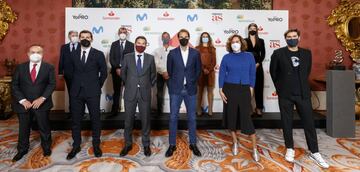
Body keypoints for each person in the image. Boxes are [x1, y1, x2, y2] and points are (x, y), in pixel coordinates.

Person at [270, 29, 329, 168]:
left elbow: (306, 71)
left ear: (299, 38)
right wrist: (281, 88)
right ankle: (289, 148)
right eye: (289, 37)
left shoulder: (306, 54)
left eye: (294, 36)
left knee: (309, 122)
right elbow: (274, 73)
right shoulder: (278, 53)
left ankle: (314, 151)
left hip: (303, 93)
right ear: (285, 39)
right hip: (286, 94)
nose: (292, 38)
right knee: (287, 122)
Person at [66, 30, 107, 160]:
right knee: (76, 120)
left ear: (92, 39)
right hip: (76, 92)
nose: (85, 39)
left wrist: (96, 86)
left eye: (88, 37)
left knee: (95, 119)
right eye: (82, 37)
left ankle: (96, 145)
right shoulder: (72, 54)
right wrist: (75, 85)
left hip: (92, 92)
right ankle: (76, 145)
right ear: (79, 39)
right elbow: (69, 73)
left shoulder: (99, 54)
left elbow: (104, 73)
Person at [218, 35, 260, 161]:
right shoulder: (226, 57)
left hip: (244, 89)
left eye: (237, 42)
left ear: (241, 43)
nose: (235, 44)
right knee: (231, 116)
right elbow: (221, 74)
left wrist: (251, 88)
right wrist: (220, 89)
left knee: (246, 118)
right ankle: (235, 142)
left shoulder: (249, 56)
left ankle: (254, 148)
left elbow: (252, 73)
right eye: (232, 42)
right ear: (229, 45)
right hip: (229, 89)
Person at [11, 45, 56, 161]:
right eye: (33, 52)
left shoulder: (49, 67)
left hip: (41, 104)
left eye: (38, 52)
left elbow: (51, 84)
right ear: (28, 53)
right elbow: (14, 85)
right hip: (23, 104)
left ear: (43, 54)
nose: (35, 54)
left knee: (44, 127)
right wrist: (22, 100)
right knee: (23, 128)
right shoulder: (20, 67)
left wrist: (42, 98)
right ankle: (22, 149)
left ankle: (46, 148)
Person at [165, 29, 202, 157]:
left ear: (189, 38)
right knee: (173, 117)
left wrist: (192, 81)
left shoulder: (196, 53)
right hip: (176, 89)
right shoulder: (172, 53)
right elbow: (169, 71)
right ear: (178, 39)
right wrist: (172, 85)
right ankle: (172, 144)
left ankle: (193, 143)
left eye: (186, 36)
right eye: (181, 37)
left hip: (190, 89)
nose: (183, 38)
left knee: (192, 118)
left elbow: (198, 70)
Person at [119, 36, 156, 157]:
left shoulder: (150, 58)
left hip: (144, 93)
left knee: (145, 120)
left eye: (143, 43)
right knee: (128, 120)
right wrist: (131, 83)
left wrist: (145, 85)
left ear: (146, 45)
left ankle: (146, 144)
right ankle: (128, 144)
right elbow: (123, 74)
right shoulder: (127, 57)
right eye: (139, 43)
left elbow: (153, 75)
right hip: (130, 92)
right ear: (135, 44)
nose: (141, 45)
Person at [109, 27, 135, 117]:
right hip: (116, 71)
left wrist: (124, 69)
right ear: (118, 33)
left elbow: (131, 59)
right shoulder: (114, 44)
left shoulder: (131, 45)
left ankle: (130, 112)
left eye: (124, 32)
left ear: (127, 34)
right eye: (121, 32)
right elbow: (111, 58)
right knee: (116, 92)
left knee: (128, 92)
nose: (123, 33)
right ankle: (114, 111)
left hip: (127, 72)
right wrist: (117, 68)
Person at [244, 23, 266, 117]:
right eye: (251, 28)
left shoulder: (261, 40)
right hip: (247, 67)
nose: (252, 29)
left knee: (259, 87)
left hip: (258, 66)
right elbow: (243, 53)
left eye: (254, 28)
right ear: (248, 30)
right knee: (248, 88)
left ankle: (259, 108)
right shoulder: (244, 40)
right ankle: (248, 108)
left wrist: (258, 63)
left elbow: (263, 54)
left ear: (257, 30)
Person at [58, 30, 79, 117]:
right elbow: (61, 60)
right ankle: (72, 112)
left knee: (79, 93)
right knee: (71, 93)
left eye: (76, 35)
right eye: (72, 35)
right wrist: (60, 72)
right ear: (69, 37)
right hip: (68, 74)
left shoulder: (82, 46)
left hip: (79, 73)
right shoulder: (64, 47)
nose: (74, 37)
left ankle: (80, 112)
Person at [152, 32, 174, 114]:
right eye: (164, 37)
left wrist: (168, 72)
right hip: (160, 74)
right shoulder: (157, 51)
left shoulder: (174, 50)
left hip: (171, 75)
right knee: (159, 93)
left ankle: (173, 110)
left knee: (173, 93)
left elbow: (175, 63)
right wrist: (163, 71)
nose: (165, 38)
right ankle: (159, 111)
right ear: (161, 39)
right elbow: (156, 63)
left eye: (167, 37)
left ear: (169, 38)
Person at [196, 32, 216, 116]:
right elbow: (196, 61)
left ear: (209, 38)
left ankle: (210, 109)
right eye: (203, 36)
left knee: (210, 91)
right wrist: (203, 69)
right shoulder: (197, 48)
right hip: (200, 72)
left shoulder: (212, 49)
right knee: (199, 91)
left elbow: (214, 62)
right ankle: (198, 109)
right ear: (201, 38)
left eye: (206, 36)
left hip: (210, 73)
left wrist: (209, 69)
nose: (205, 38)